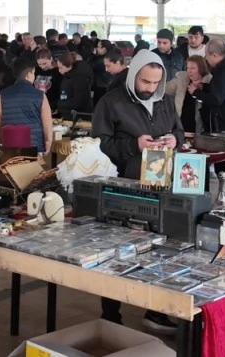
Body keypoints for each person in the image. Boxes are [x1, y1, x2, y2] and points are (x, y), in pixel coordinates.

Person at [91, 50, 182, 332]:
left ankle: (154, 311)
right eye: (145, 82)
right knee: (116, 252)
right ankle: (111, 315)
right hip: (123, 187)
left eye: (156, 83)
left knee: (160, 249)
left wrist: (172, 140)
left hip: (159, 184)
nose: (150, 88)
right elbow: (100, 144)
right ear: (133, 76)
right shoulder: (111, 103)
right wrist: (135, 145)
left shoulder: (165, 102)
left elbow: (180, 131)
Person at [0, 58, 54, 153]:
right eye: (33, 73)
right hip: (34, 147)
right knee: (30, 168)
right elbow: (47, 125)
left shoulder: (3, 94)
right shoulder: (40, 95)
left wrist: (2, 139)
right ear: (29, 74)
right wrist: (48, 143)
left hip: (9, 147)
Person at [167, 55, 213, 134]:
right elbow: (165, 89)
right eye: (188, 68)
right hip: (182, 125)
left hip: (202, 127)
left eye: (192, 68)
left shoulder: (209, 82)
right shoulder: (182, 80)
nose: (189, 71)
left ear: (201, 69)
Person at [56, 52, 94, 119]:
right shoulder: (67, 76)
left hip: (79, 116)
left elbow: (78, 102)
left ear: (70, 66)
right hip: (68, 113)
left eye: (61, 68)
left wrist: (58, 104)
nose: (59, 70)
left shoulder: (79, 78)